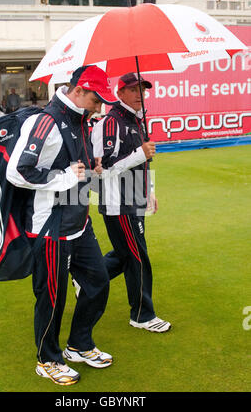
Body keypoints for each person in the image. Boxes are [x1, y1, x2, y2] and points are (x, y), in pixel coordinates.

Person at [6, 65, 118, 386]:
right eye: (97, 98)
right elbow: (18, 172)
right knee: (51, 297)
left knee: (98, 281)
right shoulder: (45, 121)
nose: (101, 105)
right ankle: (47, 359)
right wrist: (68, 177)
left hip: (79, 221)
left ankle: (79, 344)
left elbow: (81, 170)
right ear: (80, 90)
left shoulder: (82, 121)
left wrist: (92, 170)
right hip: (50, 226)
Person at [91, 72, 171, 333]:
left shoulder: (138, 121)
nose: (139, 94)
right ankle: (142, 314)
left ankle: (86, 276)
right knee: (137, 256)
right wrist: (140, 153)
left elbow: (143, 165)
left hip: (135, 197)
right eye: (133, 89)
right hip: (118, 201)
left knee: (127, 253)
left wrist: (149, 191)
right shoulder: (110, 123)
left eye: (142, 89)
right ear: (120, 93)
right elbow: (104, 168)